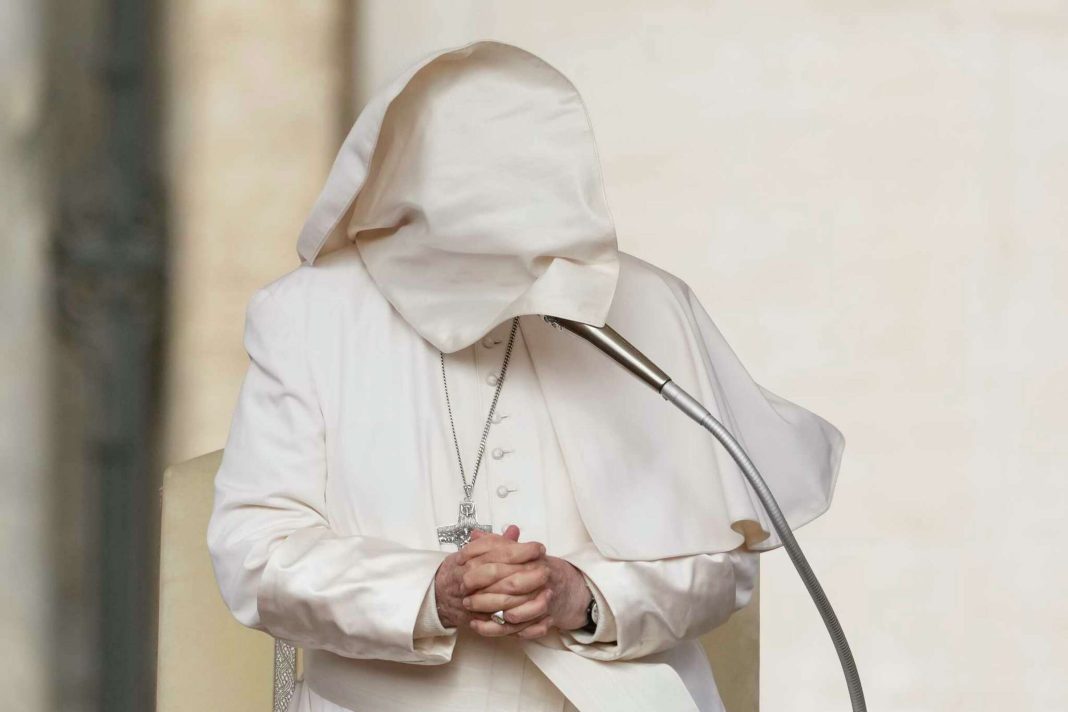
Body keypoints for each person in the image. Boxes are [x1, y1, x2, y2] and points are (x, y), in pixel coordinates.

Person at [207, 40, 843, 712]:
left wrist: (585, 595)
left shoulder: (647, 309)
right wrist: (429, 590)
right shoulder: (309, 315)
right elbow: (254, 554)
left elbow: (722, 562)